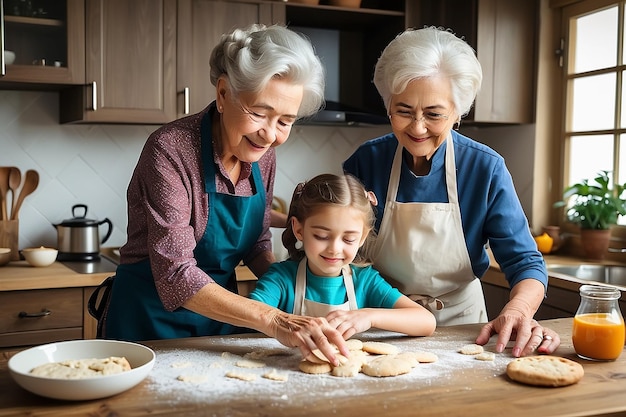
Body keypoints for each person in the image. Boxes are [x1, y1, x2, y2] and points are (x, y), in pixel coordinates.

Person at [94, 24, 348, 365]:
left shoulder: (263, 153)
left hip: (221, 322)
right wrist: (275, 319)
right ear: (224, 93)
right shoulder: (170, 150)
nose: (269, 134)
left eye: (285, 121)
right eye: (259, 113)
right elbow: (176, 274)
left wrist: (295, 289)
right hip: (146, 324)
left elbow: (257, 243)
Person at [343, 27, 560, 357]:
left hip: (465, 329)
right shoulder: (366, 162)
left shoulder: (484, 168)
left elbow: (526, 263)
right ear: (388, 105)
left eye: (434, 114)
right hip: (380, 322)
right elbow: (340, 253)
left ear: (458, 112)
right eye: (403, 111)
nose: (417, 128)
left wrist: (517, 311)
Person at [249, 173, 436, 339]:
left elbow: (426, 321)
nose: (334, 249)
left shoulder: (365, 281)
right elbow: (251, 314)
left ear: (362, 237)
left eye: (348, 239)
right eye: (322, 236)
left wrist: (369, 317)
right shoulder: (281, 278)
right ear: (299, 229)